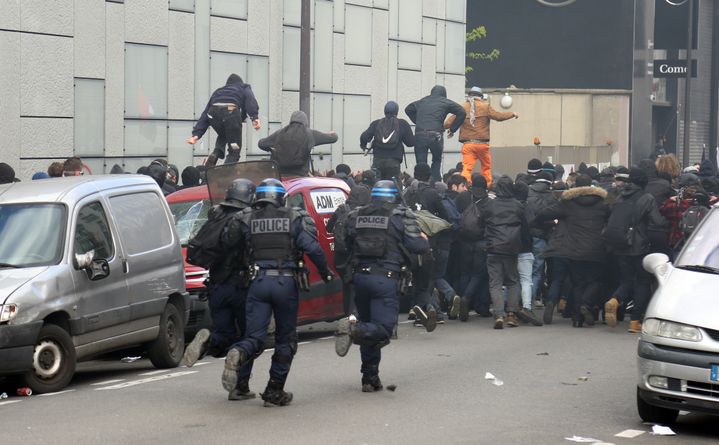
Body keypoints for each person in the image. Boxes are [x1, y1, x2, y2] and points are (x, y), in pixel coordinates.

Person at [221, 178, 334, 406]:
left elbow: (227, 244)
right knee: (286, 339)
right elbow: (313, 248)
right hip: (285, 283)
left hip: (257, 282)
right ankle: (274, 391)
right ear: (282, 198)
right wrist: (326, 273)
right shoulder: (294, 218)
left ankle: (240, 352)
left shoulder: (246, 218)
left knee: (254, 337)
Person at [337, 181, 429, 391]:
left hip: (360, 277)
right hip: (385, 279)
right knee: (384, 329)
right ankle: (353, 330)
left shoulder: (356, 215)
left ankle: (370, 379)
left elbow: (345, 241)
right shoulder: (401, 216)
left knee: (370, 327)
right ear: (395, 196)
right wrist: (423, 239)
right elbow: (418, 247)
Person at [182, 179, 257, 400]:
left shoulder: (216, 215)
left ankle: (208, 342)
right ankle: (239, 387)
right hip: (240, 286)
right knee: (248, 337)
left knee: (224, 334)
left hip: (215, 287)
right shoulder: (246, 218)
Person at [534, 174, 609, 327]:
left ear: (575, 186)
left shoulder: (568, 202)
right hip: (596, 248)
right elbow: (616, 212)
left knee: (578, 283)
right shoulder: (604, 202)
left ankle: (577, 319)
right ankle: (586, 304)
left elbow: (543, 213)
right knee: (596, 280)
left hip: (574, 250)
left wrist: (550, 222)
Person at [604, 168, 666, 333]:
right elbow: (657, 222)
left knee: (626, 280)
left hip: (618, 245)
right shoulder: (647, 198)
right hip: (639, 246)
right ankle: (635, 321)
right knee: (642, 282)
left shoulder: (617, 194)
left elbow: (607, 213)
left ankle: (614, 300)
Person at [479, 176, 528, 329]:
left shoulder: (490, 205)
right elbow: (526, 227)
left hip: (493, 247)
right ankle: (511, 314)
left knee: (495, 283)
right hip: (512, 248)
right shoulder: (518, 206)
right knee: (513, 281)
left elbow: (481, 222)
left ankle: (499, 315)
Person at [444, 87, 517, 186]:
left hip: (468, 144)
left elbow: (448, 123)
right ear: (481, 96)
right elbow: (499, 116)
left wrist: (439, 126)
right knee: (486, 167)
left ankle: (464, 186)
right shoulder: (485, 106)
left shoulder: (462, 107)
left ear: (469, 96)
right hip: (482, 145)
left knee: (467, 168)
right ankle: (487, 186)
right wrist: (511, 113)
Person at [187, 73, 261, 167]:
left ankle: (217, 152)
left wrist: (196, 135)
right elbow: (250, 100)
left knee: (224, 133)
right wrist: (254, 117)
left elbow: (206, 113)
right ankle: (225, 175)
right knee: (234, 151)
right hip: (231, 112)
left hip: (213, 114)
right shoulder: (243, 87)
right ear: (239, 82)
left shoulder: (219, 91)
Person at [405, 85, 466, 182]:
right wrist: (453, 129)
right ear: (444, 94)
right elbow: (462, 112)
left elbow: (408, 109)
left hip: (420, 135)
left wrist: (418, 121)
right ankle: (435, 184)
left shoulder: (422, 101)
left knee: (421, 164)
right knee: (436, 161)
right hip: (436, 135)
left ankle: (420, 185)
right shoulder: (445, 102)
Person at [258, 111, 337, 177]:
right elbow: (333, 138)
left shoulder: (280, 133)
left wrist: (272, 150)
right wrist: (332, 133)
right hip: (300, 175)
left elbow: (261, 143)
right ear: (305, 122)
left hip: (281, 175)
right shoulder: (310, 134)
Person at [360, 101, 415, 181]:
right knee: (393, 186)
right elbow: (410, 143)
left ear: (384, 111)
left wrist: (363, 146)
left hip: (378, 160)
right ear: (397, 111)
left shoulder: (376, 123)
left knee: (376, 184)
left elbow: (364, 137)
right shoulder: (402, 123)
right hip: (394, 162)